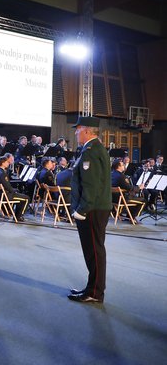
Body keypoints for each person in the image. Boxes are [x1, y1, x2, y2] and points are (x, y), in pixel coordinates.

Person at [68, 116, 112, 304]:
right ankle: (92, 287)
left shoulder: (91, 151)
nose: (76, 132)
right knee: (94, 251)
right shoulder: (94, 149)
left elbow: (91, 185)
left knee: (94, 251)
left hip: (92, 209)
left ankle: (95, 292)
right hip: (96, 208)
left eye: (78, 129)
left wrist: (82, 209)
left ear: (86, 130)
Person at [0, 156, 29, 220]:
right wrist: (14, 190)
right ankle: (18, 216)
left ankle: (16, 215)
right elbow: (7, 185)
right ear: (3, 163)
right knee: (26, 198)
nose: (8, 163)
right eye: (7, 162)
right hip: (6, 195)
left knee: (20, 196)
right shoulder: (2, 173)